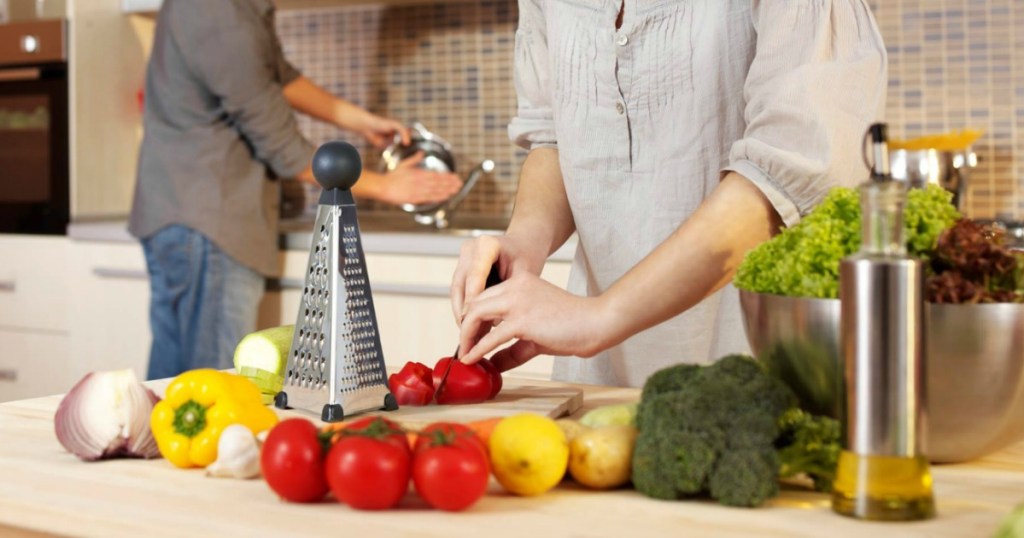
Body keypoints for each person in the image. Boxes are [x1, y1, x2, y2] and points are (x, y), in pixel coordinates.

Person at [450, 1, 888, 387]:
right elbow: (556, 136)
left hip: (756, 355)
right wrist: (524, 241)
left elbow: (786, 173)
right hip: (601, 368)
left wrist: (598, 318)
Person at [128, 0, 461, 380]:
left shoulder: (232, 9)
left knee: (171, 382)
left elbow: (275, 76)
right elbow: (284, 147)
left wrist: (358, 120)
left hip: (183, 214)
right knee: (214, 383)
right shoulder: (221, 13)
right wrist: (387, 186)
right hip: (208, 222)